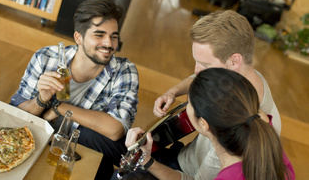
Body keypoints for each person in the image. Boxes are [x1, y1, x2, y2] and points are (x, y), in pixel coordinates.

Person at [115, 10, 283, 180]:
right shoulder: (245, 76)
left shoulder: (237, 130)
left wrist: (148, 162)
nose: (196, 70)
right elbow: (201, 77)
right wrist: (173, 92)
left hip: (186, 172)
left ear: (234, 61)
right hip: (185, 155)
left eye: (204, 64)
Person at [10, 0, 139, 179]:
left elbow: (116, 129)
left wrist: (58, 108)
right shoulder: (46, 58)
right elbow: (16, 116)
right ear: (78, 37)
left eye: (114, 36)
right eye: (99, 35)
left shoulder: (124, 71)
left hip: (85, 152)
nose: (109, 44)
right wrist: (41, 100)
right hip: (37, 141)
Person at [130, 68, 295, 180]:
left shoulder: (228, 174)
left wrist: (147, 162)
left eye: (189, 103)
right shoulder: (262, 129)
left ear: (204, 123)